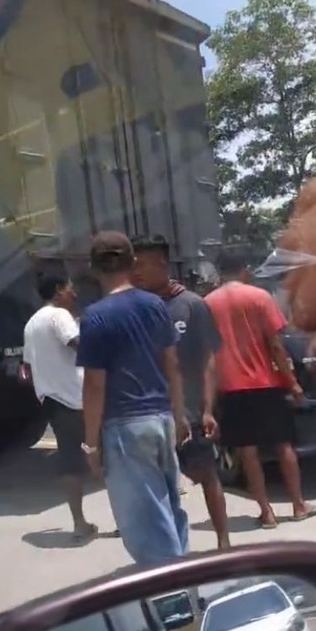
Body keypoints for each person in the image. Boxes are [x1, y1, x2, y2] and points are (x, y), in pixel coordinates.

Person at [77, 231, 191, 567]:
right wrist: (180, 414)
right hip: (162, 419)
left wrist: (91, 446)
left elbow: (95, 386)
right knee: (169, 508)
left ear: (94, 269)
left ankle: (173, 598)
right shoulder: (155, 305)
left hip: (125, 427)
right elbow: (172, 364)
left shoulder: (95, 317)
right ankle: (185, 581)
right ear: (131, 263)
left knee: (145, 522)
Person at [204, 247, 316, 529]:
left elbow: (207, 358)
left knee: (248, 451)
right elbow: (276, 344)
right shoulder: (259, 297)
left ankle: (266, 513)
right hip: (266, 383)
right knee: (283, 445)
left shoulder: (207, 304)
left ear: (220, 272)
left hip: (231, 388)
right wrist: (291, 383)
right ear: (245, 269)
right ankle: (298, 505)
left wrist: (207, 405)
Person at [130, 234, 231, 550]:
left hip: (189, 411)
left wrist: (207, 408)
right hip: (150, 414)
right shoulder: (136, 307)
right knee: (159, 488)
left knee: (206, 475)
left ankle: (224, 542)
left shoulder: (192, 305)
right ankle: (172, 553)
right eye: (133, 266)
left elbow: (209, 359)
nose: (136, 272)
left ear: (162, 263)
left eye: (142, 265)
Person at [22, 274, 97, 543]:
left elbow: (29, 367)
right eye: (69, 289)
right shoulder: (59, 316)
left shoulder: (31, 324)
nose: (74, 294)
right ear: (57, 292)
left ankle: (79, 523)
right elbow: (80, 346)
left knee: (70, 460)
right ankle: (128, 520)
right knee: (109, 455)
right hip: (77, 398)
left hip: (52, 400)